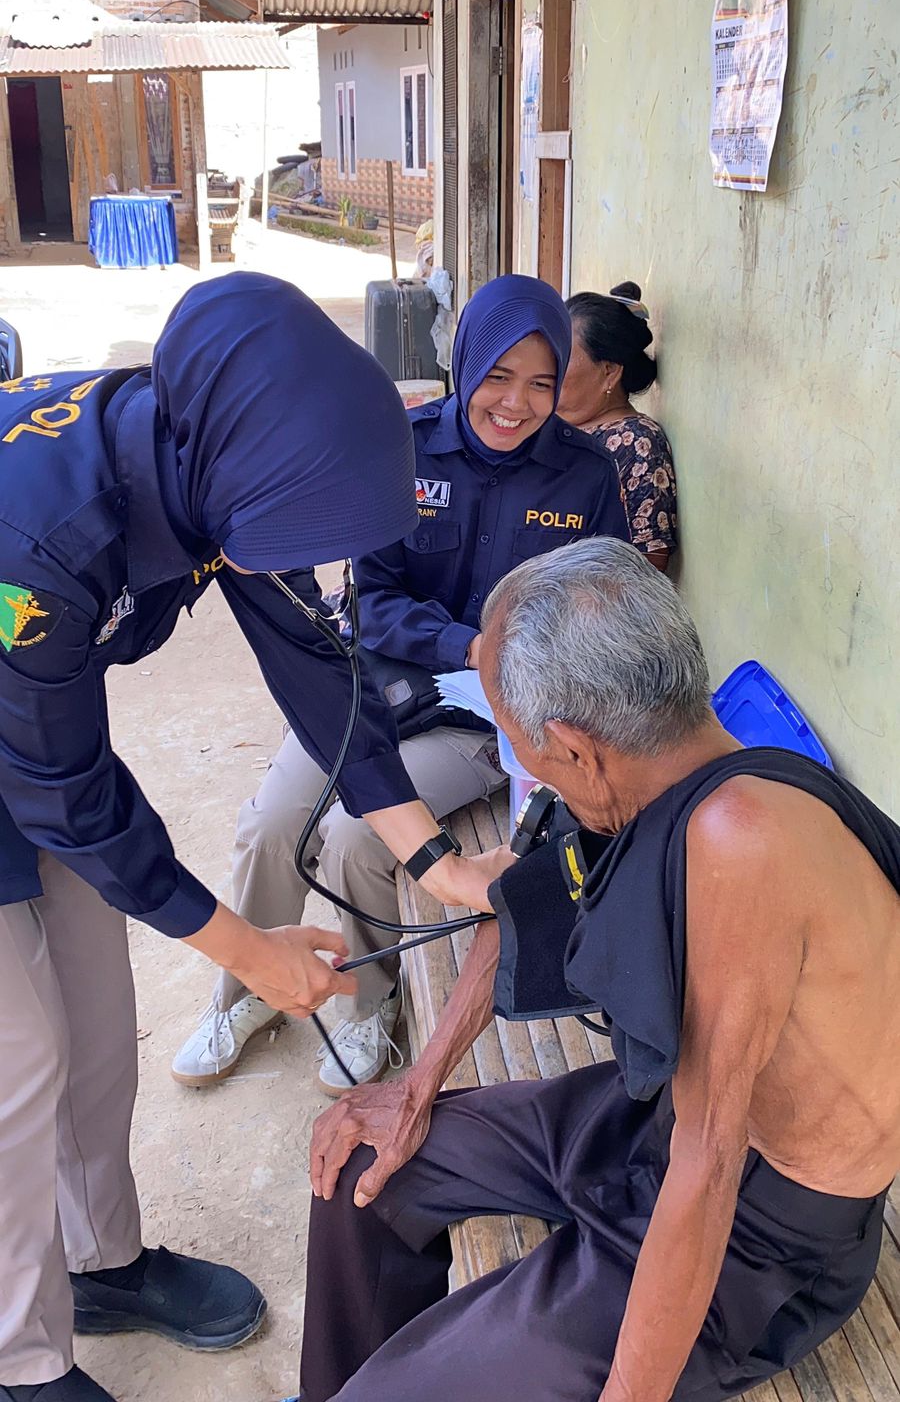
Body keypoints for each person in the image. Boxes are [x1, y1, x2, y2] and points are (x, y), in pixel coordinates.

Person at [0, 272, 500, 1402]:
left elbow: (316, 672)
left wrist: (433, 856)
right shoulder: (37, 537)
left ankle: (100, 1263)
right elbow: (70, 800)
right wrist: (247, 949)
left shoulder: (210, 457)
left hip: (31, 721)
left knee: (94, 1017)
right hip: (23, 725)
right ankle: (20, 1361)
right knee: (15, 1059)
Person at [300, 539, 900, 1402]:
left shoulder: (741, 844)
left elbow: (711, 1158)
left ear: (576, 748)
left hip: (766, 1233)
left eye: (513, 741)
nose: (516, 761)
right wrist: (416, 1084)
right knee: (360, 1163)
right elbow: (522, 904)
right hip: (652, 1122)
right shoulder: (649, 759)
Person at [173, 275, 629, 1094]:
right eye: (498, 375)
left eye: (540, 383)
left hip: (485, 718)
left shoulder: (585, 478)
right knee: (272, 824)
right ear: (465, 364)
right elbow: (372, 600)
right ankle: (244, 994)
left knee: (357, 838)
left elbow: (597, 605)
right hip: (369, 687)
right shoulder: (406, 446)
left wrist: (511, 672)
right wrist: (467, 642)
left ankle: (370, 1006)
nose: (516, 404)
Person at [558, 282, 677, 570]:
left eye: (562, 356)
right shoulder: (549, 425)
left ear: (609, 371)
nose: (548, 368)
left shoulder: (635, 444)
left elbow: (647, 570)